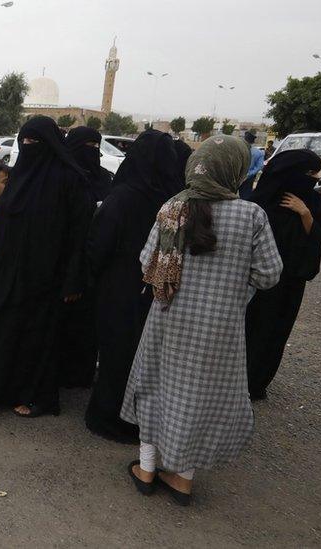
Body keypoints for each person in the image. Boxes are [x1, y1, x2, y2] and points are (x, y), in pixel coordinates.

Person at [122, 135, 282, 506]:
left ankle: (146, 469)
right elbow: (269, 274)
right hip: (219, 329)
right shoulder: (252, 215)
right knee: (198, 397)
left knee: (155, 386)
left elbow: (147, 261)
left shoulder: (172, 207)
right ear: (236, 170)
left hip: (168, 318)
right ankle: (182, 479)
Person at [0, 116, 93, 417]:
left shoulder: (70, 180)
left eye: (36, 142)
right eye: (25, 141)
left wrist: (73, 278)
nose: (29, 147)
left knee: (38, 336)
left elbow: (79, 236)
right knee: (4, 330)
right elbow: (3, 220)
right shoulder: (19, 177)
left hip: (46, 275)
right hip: (9, 271)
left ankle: (38, 398)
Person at [84, 129, 184, 443]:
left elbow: (99, 244)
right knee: (148, 355)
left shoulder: (123, 196)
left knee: (117, 353)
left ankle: (110, 417)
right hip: (157, 291)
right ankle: (142, 418)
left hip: (119, 287)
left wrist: (91, 278)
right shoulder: (175, 199)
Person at [245, 150, 321, 400]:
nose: (315, 178)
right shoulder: (261, 201)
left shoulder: (311, 202)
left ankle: (257, 381)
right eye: (309, 173)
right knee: (250, 327)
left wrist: (304, 213)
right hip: (258, 281)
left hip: (291, 281)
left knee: (275, 331)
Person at [58, 126, 115, 388]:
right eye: (87, 146)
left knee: (86, 324)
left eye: (96, 146)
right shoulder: (64, 178)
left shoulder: (106, 178)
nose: (92, 152)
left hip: (94, 262)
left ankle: (80, 374)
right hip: (63, 261)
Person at [66, 126, 113, 204]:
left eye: (98, 146)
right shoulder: (63, 175)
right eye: (92, 145)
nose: (95, 149)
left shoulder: (104, 175)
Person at [240, 130, 265, 198]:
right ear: (253, 141)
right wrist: (249, 174)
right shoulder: (259, 152)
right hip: (248, 178)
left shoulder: (237, 150)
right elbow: (260, 166)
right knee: (245, 196)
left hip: (235, 176)